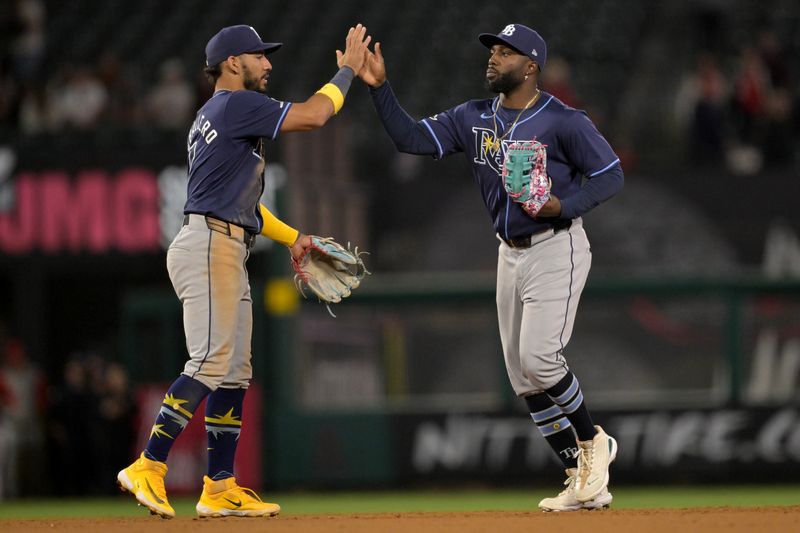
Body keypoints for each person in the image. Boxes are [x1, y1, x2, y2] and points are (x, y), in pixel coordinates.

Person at [358, 24, 623, 511]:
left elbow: (610, 175)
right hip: (508, 251)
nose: (494, 58)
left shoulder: (564, 120)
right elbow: (411, 139)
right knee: (524, 377)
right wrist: (379, 88)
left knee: (541, 360)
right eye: (493, 51)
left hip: (554, 244)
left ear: (532, 65)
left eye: (506, 52)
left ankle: (594, 443)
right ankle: (583, 479)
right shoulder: (472, 116)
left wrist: (563, 206)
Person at [117, 23, 371, 519]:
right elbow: (316, 116)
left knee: (234, 372)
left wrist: (295, 239)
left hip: (223, 240)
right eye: (259, 55)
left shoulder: (213, 116)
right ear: (233, 63)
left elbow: (244, 206)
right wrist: (347, 71)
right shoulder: (235, 105)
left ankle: (220, 487)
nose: (268, 64)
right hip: (210, 244)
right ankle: (147, 465)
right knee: (211, 361)